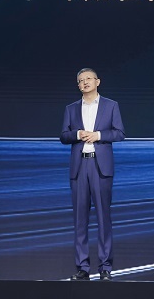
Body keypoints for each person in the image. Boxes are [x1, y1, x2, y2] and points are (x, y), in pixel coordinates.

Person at [60, 68, 125, 281]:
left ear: (98, 81)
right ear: (78, 85)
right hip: (79, 168)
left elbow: (120, 133)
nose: (85, 82)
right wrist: (77, 134)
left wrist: (98, 135)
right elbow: (64, 136)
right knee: (80, 220)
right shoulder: (71, 109)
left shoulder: (111, 105)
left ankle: (105, 267)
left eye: (89, 78)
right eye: (81, 80)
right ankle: (82, 268)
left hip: (100, 167)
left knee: (104, 218)